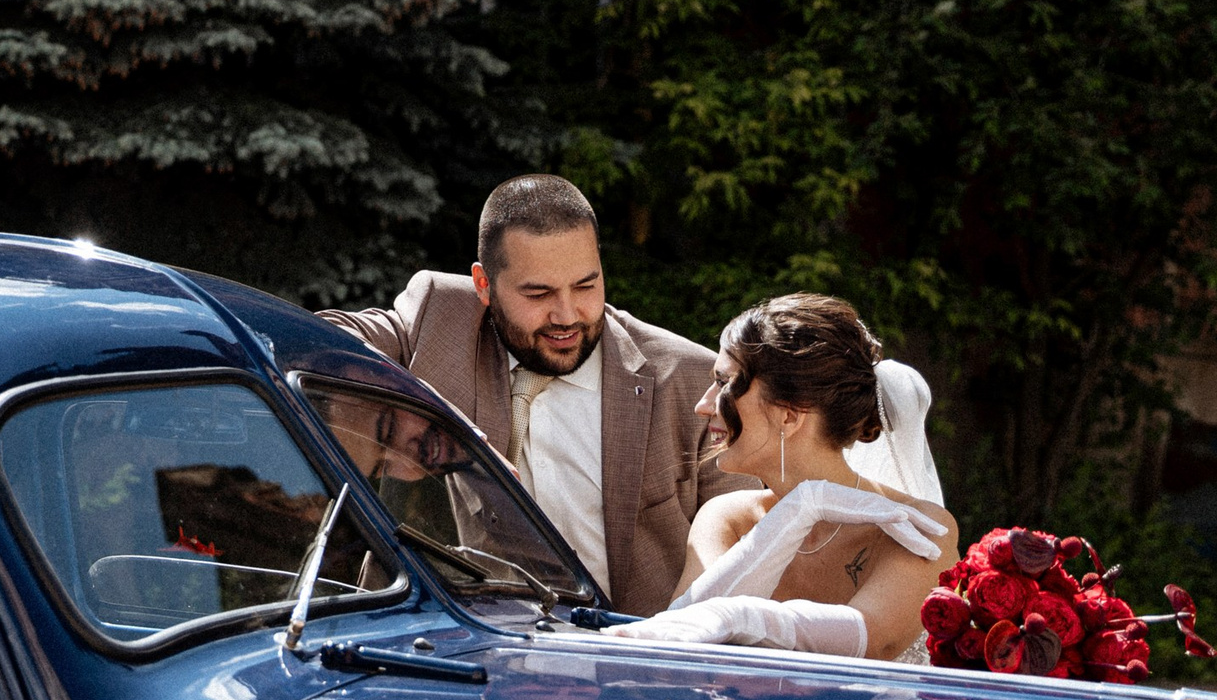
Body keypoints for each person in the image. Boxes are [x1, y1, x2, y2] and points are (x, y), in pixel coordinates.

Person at [318, 175, 752, 617]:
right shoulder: (441, 317)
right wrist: (444, 421)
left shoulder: (693, 383)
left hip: (640, 648)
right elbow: (313, 341)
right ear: (483, 285)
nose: (566, 315)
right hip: (473, 643)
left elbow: (747, 560)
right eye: (538, 293)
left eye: (585, 286)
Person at [610, 292, 959, 662]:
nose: (703, 405)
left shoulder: (917, 527)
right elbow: (681, 635)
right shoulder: (727, 517)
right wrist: (800, 508)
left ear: (789, 415)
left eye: (724, 383)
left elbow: (871, 640)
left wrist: (740, 617)